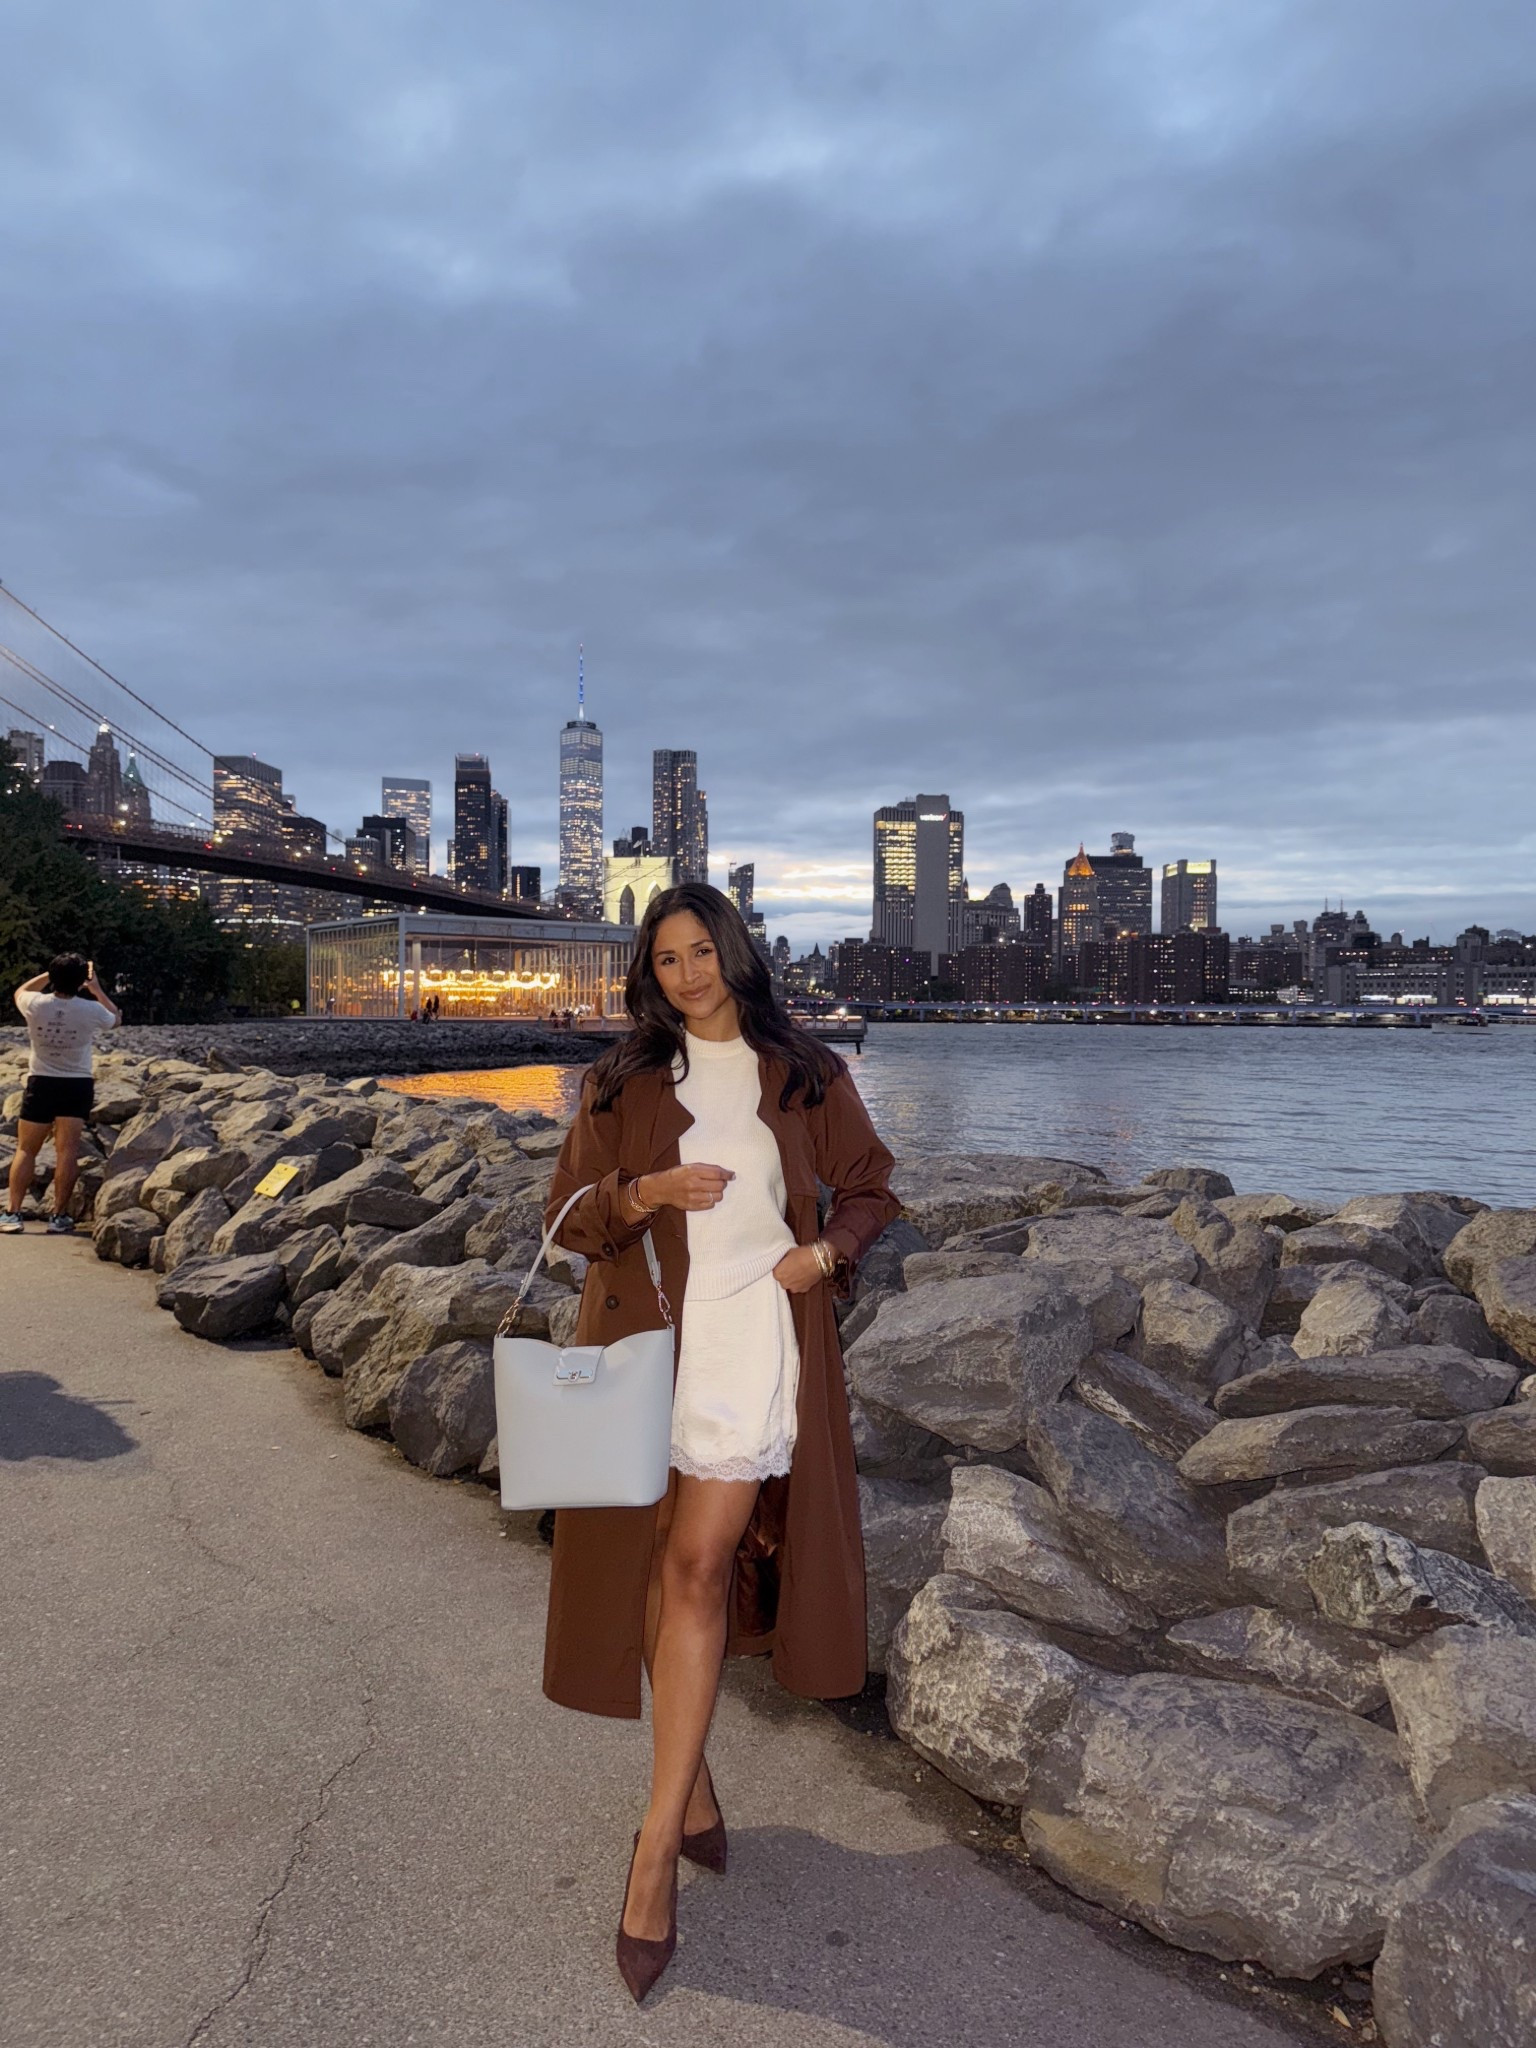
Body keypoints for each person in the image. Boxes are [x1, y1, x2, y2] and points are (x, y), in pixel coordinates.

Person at [541, 882, 899, 2003]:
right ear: (648, 973)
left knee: (697, 1563)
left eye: (704, 951)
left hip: (753, 1341)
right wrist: (642, 1188)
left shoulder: (805, 1070)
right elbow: (564, 1215)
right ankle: (690, 1791)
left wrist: (826, 1251)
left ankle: (653, 1853)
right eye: (667, 958)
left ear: (735, 954)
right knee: (654, 1565)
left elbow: (874, 1187)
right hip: (648, 1340)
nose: (687, 973)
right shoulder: (622, 1078)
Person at [4, 954, 122, 1235]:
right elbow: (116, 1018)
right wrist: (95, 988)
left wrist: (50, 974)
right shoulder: (90, 1010)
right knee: (66, 1152)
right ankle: (58, 1216)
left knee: (25, 1149)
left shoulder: (36, 1004)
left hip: (41, 1081)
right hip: (76, 1083)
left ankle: (12, 1213)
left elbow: (20, 991)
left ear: (54, 979)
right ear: (81, 981)